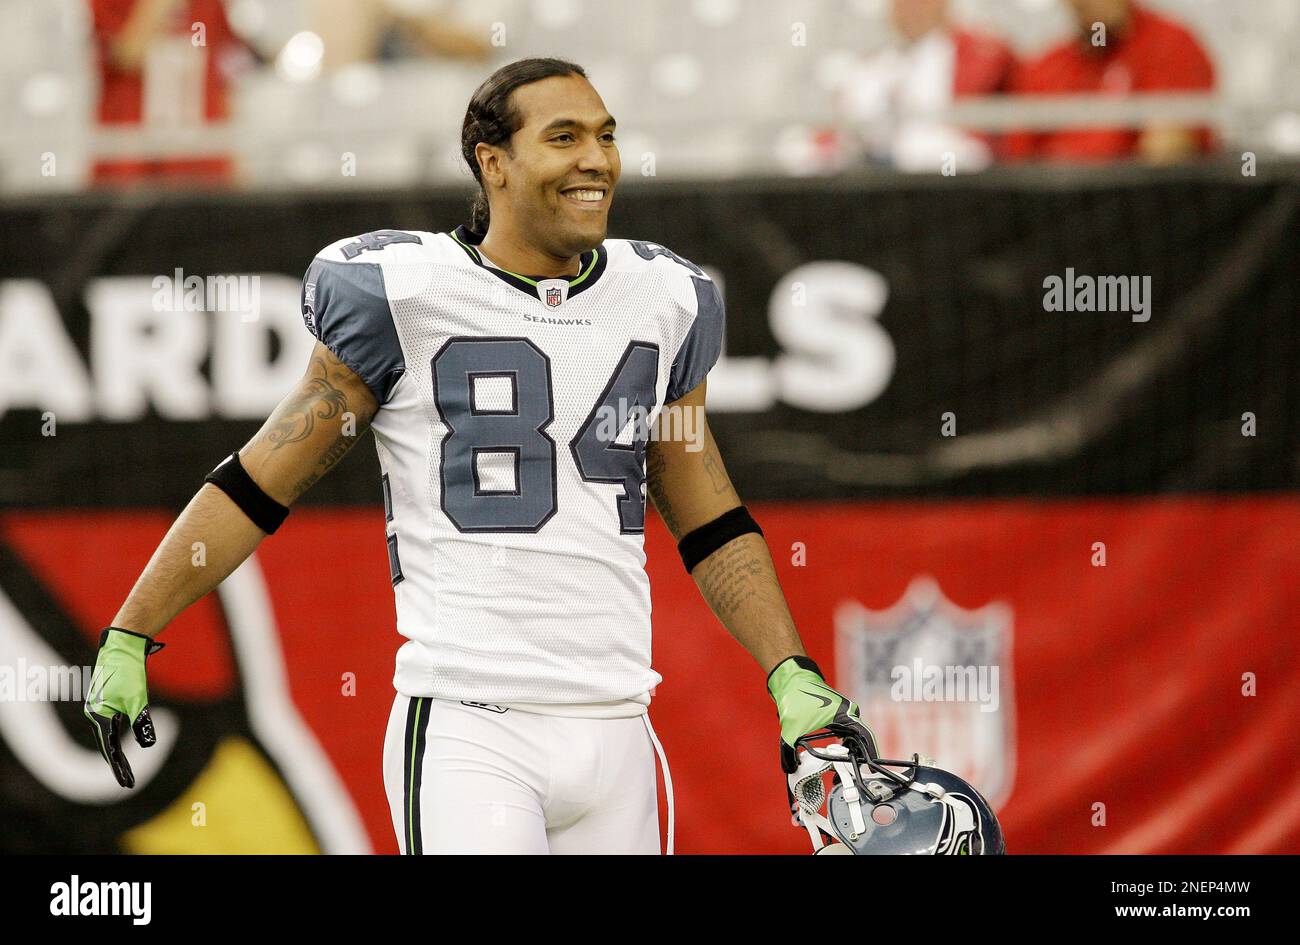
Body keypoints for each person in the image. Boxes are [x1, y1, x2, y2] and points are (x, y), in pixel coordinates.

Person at [81, 58, 874, 854]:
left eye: (605, 136)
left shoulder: (664, 296)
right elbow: (259, 482)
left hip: (620, 721)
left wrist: (788, 670)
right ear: (492, 162)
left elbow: (709, 516)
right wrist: (132, 630)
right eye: (563, 137)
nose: (595, 159)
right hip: (472, 728)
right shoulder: (406, 291)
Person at [1004, 0, 1216, 163]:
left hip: (1140, 206)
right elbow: (1019, 159)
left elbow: (1169, 147)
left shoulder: (1169, 43)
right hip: (1053, 206)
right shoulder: (1045, 66)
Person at [837, 0, 1016, 171]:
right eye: (900, 3)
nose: (910, 10)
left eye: (920, 2)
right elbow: (845, 126)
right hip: (879, 166)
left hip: (949, 168)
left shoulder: (983, 53)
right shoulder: (875, 64)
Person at [89, 0, 251, 185]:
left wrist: (232, 154)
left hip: (201, 155)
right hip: (131, 155)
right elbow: (128, 54)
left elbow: (223, 70)